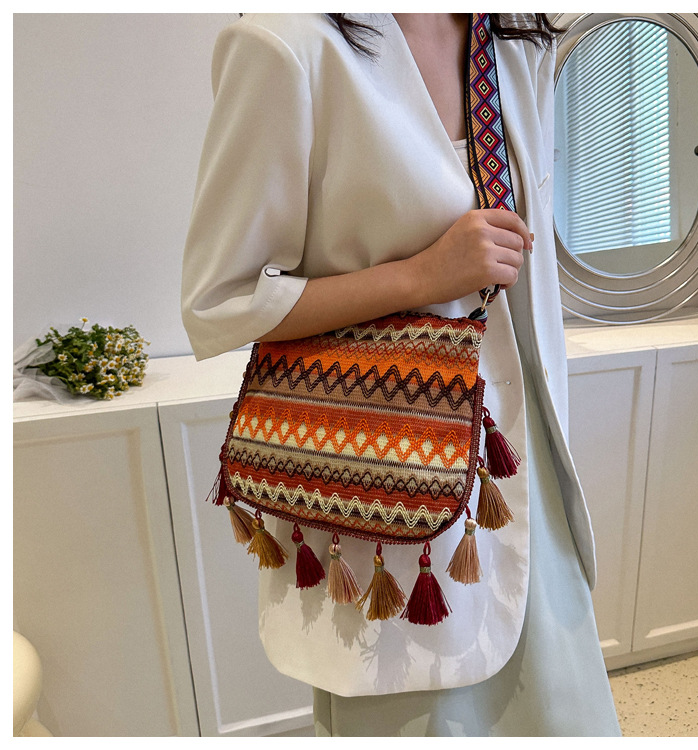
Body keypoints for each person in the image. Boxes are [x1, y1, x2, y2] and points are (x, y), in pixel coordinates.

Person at [181, 12, 622, 737]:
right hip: (389, 472)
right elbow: (220, 302)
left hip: (521, 464)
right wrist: (421, 276)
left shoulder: (514, 38)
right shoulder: (287, 45)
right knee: (421, 712)